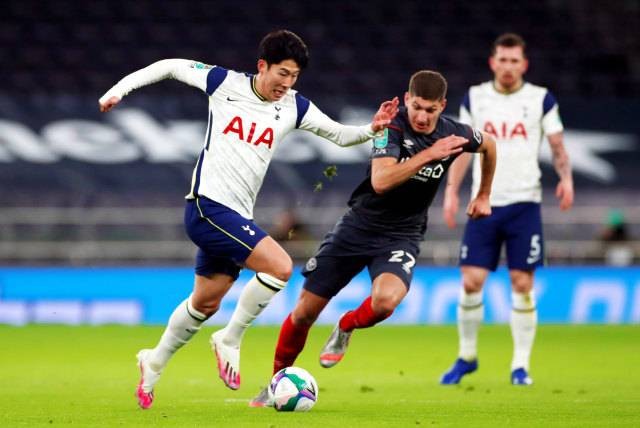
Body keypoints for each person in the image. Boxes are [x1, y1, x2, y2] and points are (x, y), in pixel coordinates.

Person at [98, 29, 399, 409]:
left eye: (294, 76)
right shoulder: (223, 83)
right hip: (207, 206)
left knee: (205, 303)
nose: (286, 84)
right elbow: (170, 67)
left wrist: (371, 129)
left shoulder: (294, 106)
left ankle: (153, 361)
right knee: (278, 266)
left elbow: (339, 136)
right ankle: (230, 338)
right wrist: (118, 91)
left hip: (236, 215)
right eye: (281, 74)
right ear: (262, 66)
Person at [250, 70, 497, 407]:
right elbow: (381, 181)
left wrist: (483, 194)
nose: (422, 117)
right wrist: (430, 154)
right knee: (304, 313)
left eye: (430, 110)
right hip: (358, 227)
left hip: (402, 234)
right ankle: (275, 381)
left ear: (442, 106)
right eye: (417, 108)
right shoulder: (391, 128)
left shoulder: (454, 132)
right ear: (407, 99)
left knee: (385, 303)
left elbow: (490, 144)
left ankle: (346, 326)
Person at [440, 33, 574, 386]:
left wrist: (566, 178)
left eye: (515, 61)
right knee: (471, 281)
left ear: (524, 65)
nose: (509, 66)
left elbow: (558, 145)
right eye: (503, 59)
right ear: (493, 62)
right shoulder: (475, 97)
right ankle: (466, 356)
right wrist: (452, 191)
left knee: (521, 282)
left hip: (524, 203)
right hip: (484, 203)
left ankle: (520, 366)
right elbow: (462, 149)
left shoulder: (541, 99)